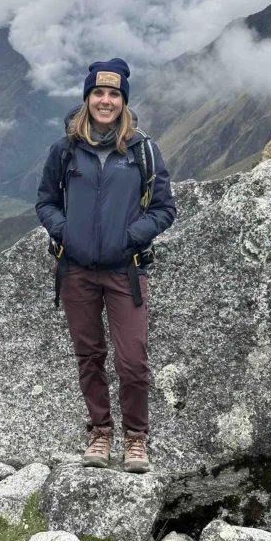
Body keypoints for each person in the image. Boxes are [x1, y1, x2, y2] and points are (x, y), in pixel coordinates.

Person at [35, 58, 176, 473]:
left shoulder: (142, 151)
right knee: (89, 355)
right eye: (98, 92)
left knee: (132, 359)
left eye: (114, 94)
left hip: (125, 271)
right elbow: (45, 201)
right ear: (87, 98)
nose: (105, 100)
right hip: (76, 270)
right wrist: (66, 232)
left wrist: (132, 236)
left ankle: (135, 438)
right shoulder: (64, 151)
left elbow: (165, 209)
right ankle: (100, 430)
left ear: (124, 102)